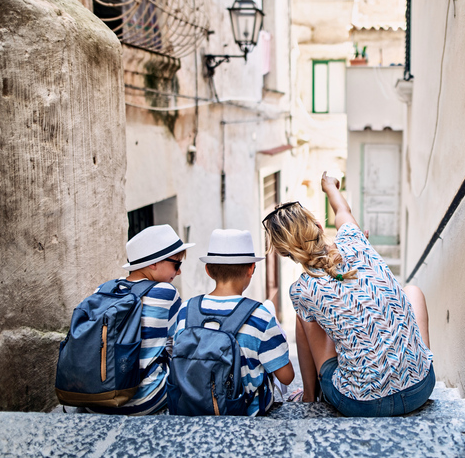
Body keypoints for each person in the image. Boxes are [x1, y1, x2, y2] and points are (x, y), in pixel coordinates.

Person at [263, 172, 434, 417]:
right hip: (422, 388)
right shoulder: (355, 239)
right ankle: (414, 365)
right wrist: (329, 185)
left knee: (305, 317)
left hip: (362, 403)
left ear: (284, 253)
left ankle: (310, 396)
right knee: (412, 291)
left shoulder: (301, 289)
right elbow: (342, 208)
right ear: (320, 226)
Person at [175, 229, 295, 416]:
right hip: (246, 412)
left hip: (191, 407)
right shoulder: (260, 316)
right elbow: (287, 378)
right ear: (251, 269)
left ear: (208, 270)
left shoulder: (185, 310)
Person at [91, 224, 193, 415]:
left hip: (95, 397)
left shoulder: (103, 289)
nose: (178, 272)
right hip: (144, 399)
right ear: (153, 263)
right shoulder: (166, 293)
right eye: (176, 264)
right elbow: (177, 346)